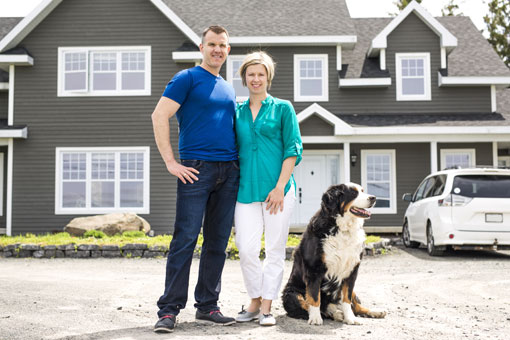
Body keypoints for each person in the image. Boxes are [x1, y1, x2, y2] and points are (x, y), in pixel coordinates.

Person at [151, 25, 239, 333]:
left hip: (229, 171)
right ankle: (169, 310)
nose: (217, 49)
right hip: (195, 169)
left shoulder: (228, 88)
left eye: (223, 45)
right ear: (201, 47)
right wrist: (171, 162)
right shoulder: (186, 78)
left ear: (228, 50)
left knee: (217, 241)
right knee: (185, 238)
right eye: (212, 44)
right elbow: (159, 115)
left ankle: (208, 306)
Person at [233, 51, 303, 326]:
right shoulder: (236, 111)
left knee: (274, 249)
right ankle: (254, 297)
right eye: (251, 74)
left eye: (261, 74)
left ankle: (265, 306)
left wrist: (280, 186)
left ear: (268, 77)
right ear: (244, 78)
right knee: (246, 248)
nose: (255, 79)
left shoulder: (283, 108)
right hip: (245, 191)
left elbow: (293, 148)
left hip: (278, 192)